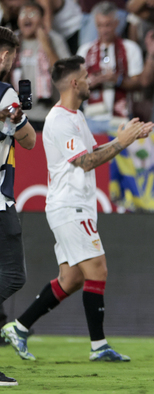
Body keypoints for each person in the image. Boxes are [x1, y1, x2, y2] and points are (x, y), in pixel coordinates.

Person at [1, 55, 153, 363]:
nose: (89, 81)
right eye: (85, 76)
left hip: (76, 204)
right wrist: (121, 144)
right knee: (98, 269)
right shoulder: (59, 120)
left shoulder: (76, 116)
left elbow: (89, 153)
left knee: (71, 279)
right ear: (74, 83)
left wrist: (124, 137)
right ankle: (99, 346)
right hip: (70, 206)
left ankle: (18, 327)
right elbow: (84, 162)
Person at [0, 25, 36, 387]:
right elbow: (30, 143)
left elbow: (27, 138)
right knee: (12, 276)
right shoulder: (5, 91)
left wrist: (15, 119)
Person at [77, 1, 144, 134]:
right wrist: (91, 82)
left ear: (117, 23)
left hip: (122, 119)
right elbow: (76, 88)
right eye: (100, 25)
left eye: (108, 25)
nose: (104, 30)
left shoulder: (130, 48)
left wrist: (117, 80)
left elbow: (139, 83)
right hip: (92, 118)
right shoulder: (85, 50)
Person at [12, 1, 71, 130]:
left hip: (49, 116)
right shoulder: (11, 41)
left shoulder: (55, 40)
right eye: (23, 13)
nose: (27, 17)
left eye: (32, 14)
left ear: (42, 19)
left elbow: (65, 77)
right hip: (18, 116)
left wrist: (46, 45)